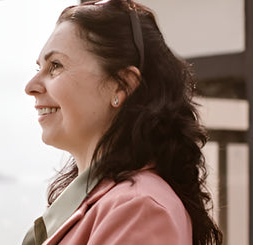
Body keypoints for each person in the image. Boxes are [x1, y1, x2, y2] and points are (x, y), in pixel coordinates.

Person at [21, 0, 223, 244]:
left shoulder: (141, 208)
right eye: (39, 67)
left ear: (122, 85)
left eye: (55, 66)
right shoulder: (111, 202)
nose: (30, 87)